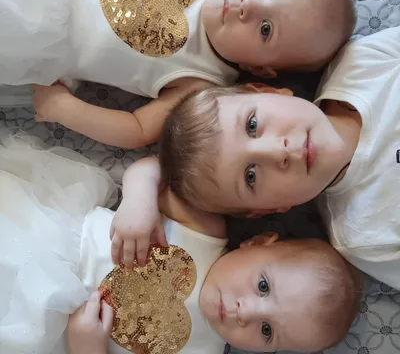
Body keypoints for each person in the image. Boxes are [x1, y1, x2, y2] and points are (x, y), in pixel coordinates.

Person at [0, 134, 361, 354]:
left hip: (36, 327)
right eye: (263, 286)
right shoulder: (204, 227)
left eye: (266, 331)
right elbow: (154, 168)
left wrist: (89, 350)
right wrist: (139, 202)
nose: (245, 312)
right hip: (47, 237)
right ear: (257, 242)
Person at [0, 0, 354, 148]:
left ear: (260, 69)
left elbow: (137, 130)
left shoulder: (201, 82)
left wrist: (64, 109)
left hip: (42, 38)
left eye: (265, 29)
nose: (249, 4)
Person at [156, 26, 400, 290]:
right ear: (271, 208)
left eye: (252, 125)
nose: (277, 151)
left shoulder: (363, 63)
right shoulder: (361, 238)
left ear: (268, 91)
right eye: (251, 176)